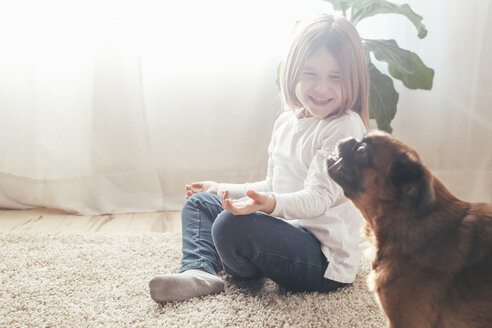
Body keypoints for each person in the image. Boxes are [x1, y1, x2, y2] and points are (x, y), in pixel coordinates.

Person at [149, 13, 370, 303]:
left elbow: (317, 199)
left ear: (352, 78)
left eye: (335, 76)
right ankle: (199, 271)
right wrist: (223, 188)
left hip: (322, 261)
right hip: (287, 232)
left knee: (231, 224)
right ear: (292, 72)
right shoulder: (286, 122)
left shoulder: (345, 127)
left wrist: (271, 205)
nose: (321, 88)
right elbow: (273, 184)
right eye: (310, 74)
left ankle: (244, 260)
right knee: (200, 203)